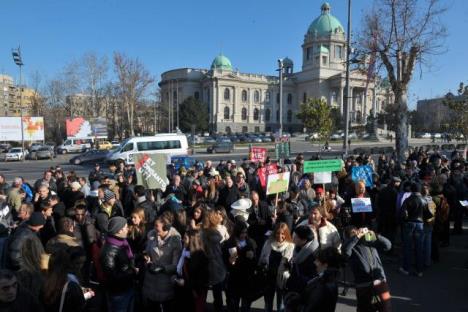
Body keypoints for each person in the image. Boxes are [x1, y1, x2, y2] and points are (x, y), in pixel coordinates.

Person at [342, 226, 392, 312]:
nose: (358, 233)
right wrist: (356, 237)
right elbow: (346, 251)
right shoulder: (350, 247)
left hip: (380, 282)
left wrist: (376, 235)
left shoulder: (369, 241)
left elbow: (388, 246)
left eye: (356, 231)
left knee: (386, 309)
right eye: (353, 233)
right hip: (364, 286)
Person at [142, 215, 182, 312]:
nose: (155, 228)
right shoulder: (152, 236)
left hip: (165, 282)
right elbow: (147, 251)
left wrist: (163, 268)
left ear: (166, 227)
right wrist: (146, 258)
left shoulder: (175, 241)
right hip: (150, 280)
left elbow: (176, 265)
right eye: (154, 226)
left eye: (157, 226)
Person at [284, 247, 340, 312]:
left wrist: (293, 303)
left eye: (318, 261)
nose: (315, 262)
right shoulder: (327, 280)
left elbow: (310, 308)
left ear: (325, 265)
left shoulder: (322, 285)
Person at [100, 216, 137, 312]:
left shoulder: (122, 243)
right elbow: (112, 276)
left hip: (128, 287)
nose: (128, 229)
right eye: (125, 227)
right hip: (119, 293)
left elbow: (126, 259)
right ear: (119, 230)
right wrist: (132, 271)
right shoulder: (109, 251)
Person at [258, 222, 295, 312]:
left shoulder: (290, 246)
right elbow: (262, 258)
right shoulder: (268, 243)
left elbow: (292, 264)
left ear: (286, 234)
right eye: (278, 233)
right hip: (268, 276)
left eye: (283, 233)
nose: (280, 236)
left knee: (281, 303)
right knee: (268, 302)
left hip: (282, 278)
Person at [223, 219, 257, 312]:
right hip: (234, 278)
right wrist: (243, 255)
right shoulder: (231, 243)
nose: (244, 235)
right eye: (242, 233)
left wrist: (252, 256)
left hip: (247, 278)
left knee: (245, 306)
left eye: (245, 232)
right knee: (234, 305)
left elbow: (254, 261)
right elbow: (231, 262)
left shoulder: (250, 242)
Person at [399, 182, 431, 276]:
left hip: (409, 224)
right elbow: (428, 214)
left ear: (411, 190)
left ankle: (406, 268)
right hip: (420, 225)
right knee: (419, 247)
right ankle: (419, 270)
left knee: (407, 247)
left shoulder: (407, 200)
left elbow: (402, 214)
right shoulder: (424, 200)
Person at [177, 229, 209, 312]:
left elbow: (202, 280)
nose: (182, 240)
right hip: (184, 292)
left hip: (194, 293)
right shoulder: (184, 252)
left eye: (185, 238)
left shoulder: (201, 257)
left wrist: (185, 283)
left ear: (192, 240)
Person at [202, 210, 228, 312]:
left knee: (203, 292)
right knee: (217, 294)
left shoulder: (204, 234)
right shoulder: (216, 232)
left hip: (207, 266)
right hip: (218, 265)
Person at [281, 225, 318, 295]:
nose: (293, 238)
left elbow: (311, 278)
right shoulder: (298, 248)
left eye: (296, 237)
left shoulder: (313, 254)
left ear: (304, 240)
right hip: (295, 288)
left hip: (303, 292)